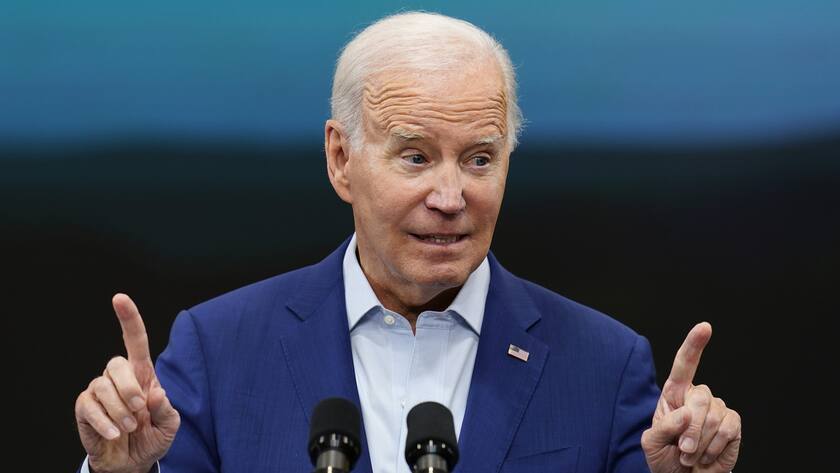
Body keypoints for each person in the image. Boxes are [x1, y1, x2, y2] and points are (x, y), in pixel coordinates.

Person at [74, 12, 741, 473]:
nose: (451, 197)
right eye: (416, 157)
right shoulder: (218, 349)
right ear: (342, 159)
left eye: (480, 159)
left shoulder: (604, 364)